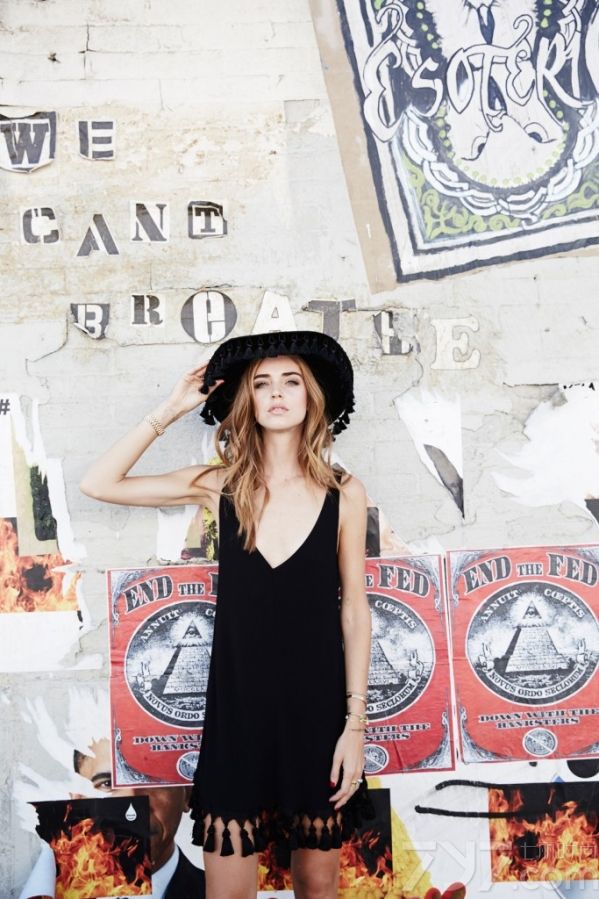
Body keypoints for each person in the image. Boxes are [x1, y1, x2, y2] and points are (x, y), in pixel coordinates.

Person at [80, 330, 374, 899]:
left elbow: (355, 611)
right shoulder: (220, 485)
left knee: (318, 886)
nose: (277, 393)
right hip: (237, 718)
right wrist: (171, 409)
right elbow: (99, 483)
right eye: (262, 384)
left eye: (291, 381)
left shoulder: (344, 492)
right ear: (247, 400)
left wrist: (354, 728)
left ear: (311, 395)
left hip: (317, 718)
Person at [18, 735, 205, 899]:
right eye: (107, 783)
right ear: (77, 800)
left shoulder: (217, 893)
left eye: (151, 779)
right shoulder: (44, 890)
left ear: (188, 795)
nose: (132, 805)